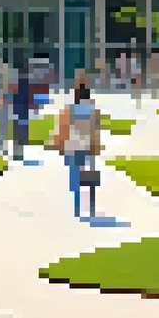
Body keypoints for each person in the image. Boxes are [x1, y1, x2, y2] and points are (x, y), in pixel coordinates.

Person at [50, 79, 103, 219]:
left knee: (74, 174)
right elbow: (96, 130)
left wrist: (59, 144)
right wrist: (96, 146)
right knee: (87, 174)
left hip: (72, 146)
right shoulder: (93, 110)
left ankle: (77, 205)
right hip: (87, 146)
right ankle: (90, 205)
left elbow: (63, 127)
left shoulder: (70, 109)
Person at [11, 66, 33, 162]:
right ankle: (19, 152)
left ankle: (17, 152)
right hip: (23, 112)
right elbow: (28, 100)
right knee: (21, 132)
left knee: (17, 132)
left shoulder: (16, 86)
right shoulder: (26, 86)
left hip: (17, 111)